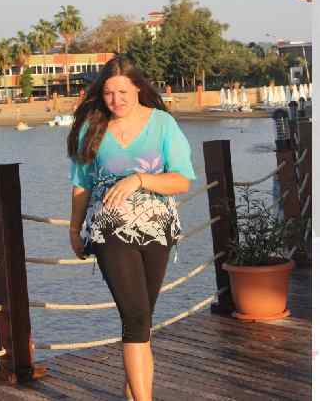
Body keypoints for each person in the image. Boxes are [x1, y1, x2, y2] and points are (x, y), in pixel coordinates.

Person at [67, 55, 195, 401]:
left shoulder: (163, 124)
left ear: (138, 87)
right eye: (109, 93)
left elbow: (182, 180)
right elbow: (81, 185)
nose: (116, 100)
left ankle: (133, 389)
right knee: (136, 318)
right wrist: (75, 229)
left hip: (157, 228)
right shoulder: (91, 127)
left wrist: (139, 179)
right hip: (110, 228)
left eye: (123, 92)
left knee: (142, 320)